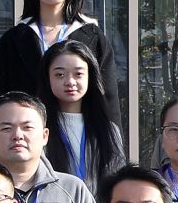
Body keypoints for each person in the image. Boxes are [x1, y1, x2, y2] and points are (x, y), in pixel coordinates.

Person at [42, 38, 126, 193]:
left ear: (90, 76)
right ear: (47, 78)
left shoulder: (108, 130)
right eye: (60, 74)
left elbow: (118, 182)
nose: (70, 81)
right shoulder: (38, 129)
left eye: (78, 74)